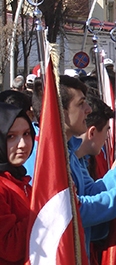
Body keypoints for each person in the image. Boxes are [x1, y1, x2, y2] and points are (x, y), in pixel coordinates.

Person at [59, 76, 116, 258]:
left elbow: (88, 191)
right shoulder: (46, 158)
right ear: (60, 110)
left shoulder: (68, 151)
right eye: (81, 104)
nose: (87, 110)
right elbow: (74, 211)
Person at [0, 103, 35, 265]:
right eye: (11, 136)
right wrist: (44, 208)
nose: (23, 144)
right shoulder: (2, 187)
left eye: (27, 134)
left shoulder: (22, 180)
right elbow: (9, 247)